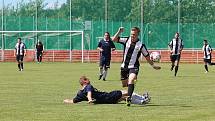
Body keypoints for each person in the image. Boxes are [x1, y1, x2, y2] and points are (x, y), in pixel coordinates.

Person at [112, 27, 161, 106]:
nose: (132, 36)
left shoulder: (141, 45)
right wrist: (119, 31)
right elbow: (114, 40)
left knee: (131, 80)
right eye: (131, 34)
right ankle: (133, 89)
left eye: (134, 34)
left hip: (134, 67)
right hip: (124, 66)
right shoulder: (126, 40)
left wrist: (153, 65)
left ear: (138, 35)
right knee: (125, 85)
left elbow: (147, 56)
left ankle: (129, 98)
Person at [63, 76, 150, 105]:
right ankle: (143, 97)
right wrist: (90, 100)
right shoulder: (88, 86)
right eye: (87, 79)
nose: (89, 80)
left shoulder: (80, 94)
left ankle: (142, 101)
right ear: (85, 81)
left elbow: (73, 101)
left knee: (124, 98)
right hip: (108, 96)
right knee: (126, 91)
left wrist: (65, 100)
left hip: (107, 101)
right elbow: (89, 94)